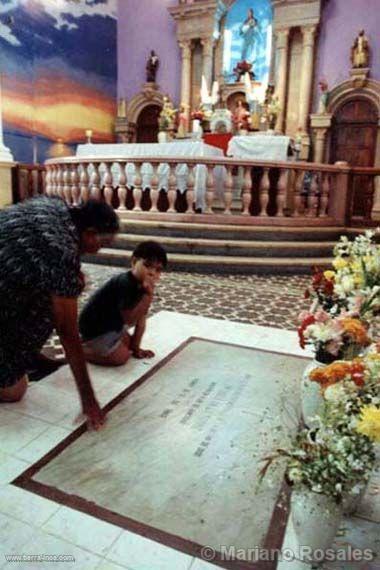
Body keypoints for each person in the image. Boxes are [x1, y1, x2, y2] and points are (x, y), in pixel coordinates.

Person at [0, 196, 120, 429]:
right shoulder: (59, 249)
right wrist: (88, 400)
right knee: (14, 390)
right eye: (102, 243)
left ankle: (28, 355)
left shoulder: (55, 208)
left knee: (62, 289)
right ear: (90, 233)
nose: (97, 251)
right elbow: (67, 331)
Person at [79, 241, 167, 367]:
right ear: (134, 261)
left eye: (158, 270)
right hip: (95, 329)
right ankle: (79, 350)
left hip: (112, 325)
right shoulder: (125, 283)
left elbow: (141, 319)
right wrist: (148, 296)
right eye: (147, 266)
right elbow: (129, 319)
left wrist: (136, 348)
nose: (152, 273)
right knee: (121, 358)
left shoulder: (142, 286)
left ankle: (94, 345)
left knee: (129, 346)